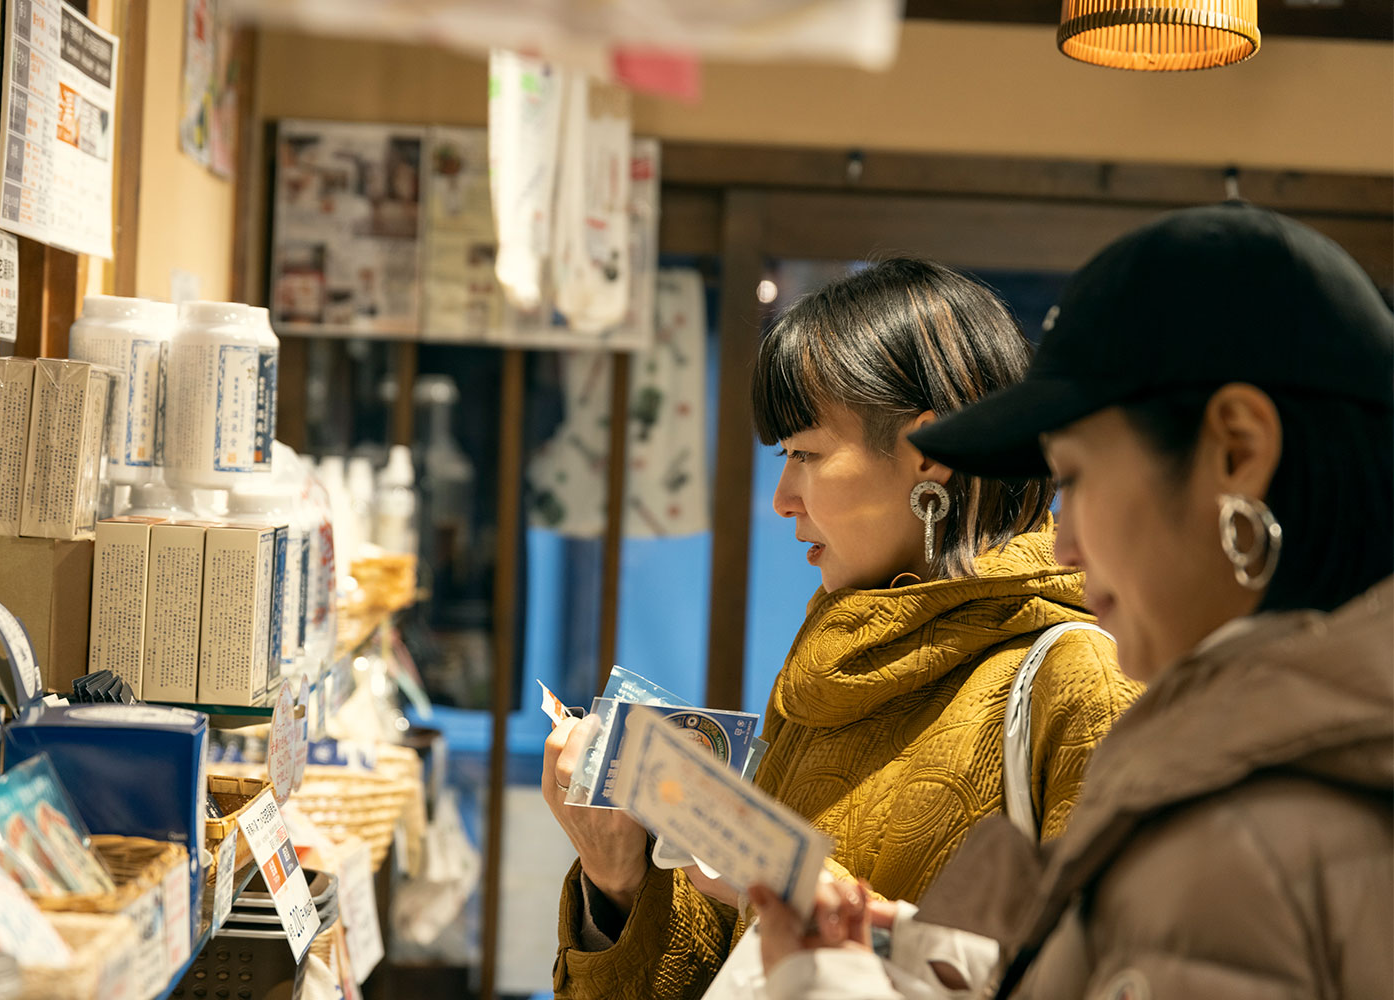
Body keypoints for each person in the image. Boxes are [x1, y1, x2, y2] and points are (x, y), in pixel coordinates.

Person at [751, 202, 1394, 1000]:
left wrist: (827, 986)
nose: (1062, 545)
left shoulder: (1244, 830)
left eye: (1080, 478)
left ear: (1238, 451)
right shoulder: (1235, 766)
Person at [542, 257, 1140, 1000]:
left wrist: (835, 911)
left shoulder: (1081, 674)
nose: (783, 498)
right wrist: (618, 877)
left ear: (928, 451)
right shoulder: (835, 654)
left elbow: (1119, 974)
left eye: (804, 454)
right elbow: (738, 961)